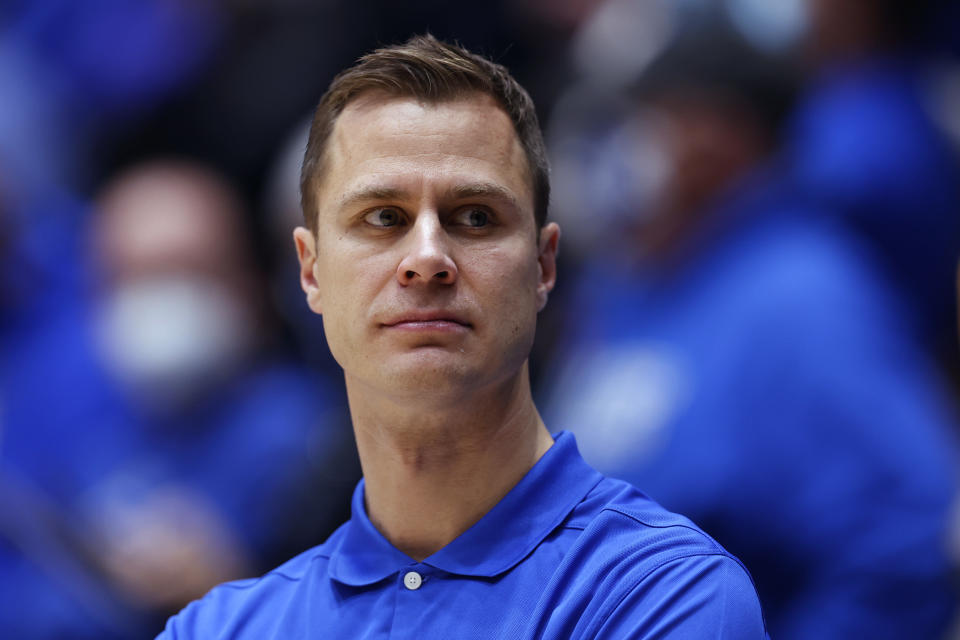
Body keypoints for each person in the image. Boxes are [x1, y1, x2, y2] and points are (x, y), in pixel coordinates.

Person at [158, 34, 767, 639]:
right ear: (311, 271)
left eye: (475, 217)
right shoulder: (216, 629)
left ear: (544, 266)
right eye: (383, 218)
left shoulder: (664, 596)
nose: (426, 257)